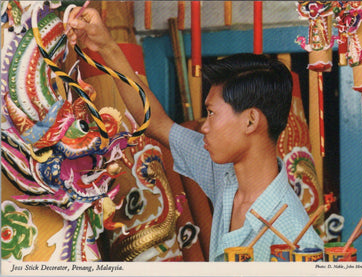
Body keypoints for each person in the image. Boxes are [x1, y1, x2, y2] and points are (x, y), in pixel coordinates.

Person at [67, 7, 323, 262]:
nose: (204, 126)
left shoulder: (296, 240)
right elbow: (156, 122)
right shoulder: (224, 174)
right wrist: (107, 47)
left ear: (250, 120)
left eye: (212, 113)